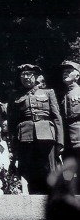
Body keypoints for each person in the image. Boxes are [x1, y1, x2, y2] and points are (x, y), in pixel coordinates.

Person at [7, 63, 64, 194]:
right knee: (28, 168)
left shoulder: (48, 93)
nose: (26, 77)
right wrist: (13, 145)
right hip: (25, 136)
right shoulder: (15, 96)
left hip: (47, 135)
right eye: (23, 75)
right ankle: (31, 196)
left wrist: (60, 141)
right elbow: (11, 122)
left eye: (29, 74)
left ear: (36, 76)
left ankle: (54, 198)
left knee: (50, 167)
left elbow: (57, 117)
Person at [60, 60, 80, 160]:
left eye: (69, 71)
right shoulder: (62, 95)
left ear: (77, 76)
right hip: (66, 140)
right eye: (64, 71)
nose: (65, 73)